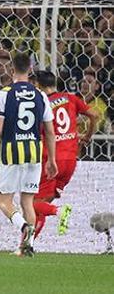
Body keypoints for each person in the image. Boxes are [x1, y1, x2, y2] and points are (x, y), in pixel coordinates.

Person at [0, 52, 57, 257]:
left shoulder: (4, 94)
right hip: (34, 153)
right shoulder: (41, 95)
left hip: (12, 151)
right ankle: (26, 246)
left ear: (12, 70)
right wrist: (52, 160)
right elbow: (49, 131)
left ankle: (23, 227)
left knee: (3, 201)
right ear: (30, 71)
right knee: (27, 201)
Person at [33, 71, 99, 238]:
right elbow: (94, 115)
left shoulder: (42, 104)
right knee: (41, 205)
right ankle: (27, 244)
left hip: (52, 161)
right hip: (70, 161)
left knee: (31, 204)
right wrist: (87, 137)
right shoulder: (70, 98)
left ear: (39, 86)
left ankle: (59, 211)